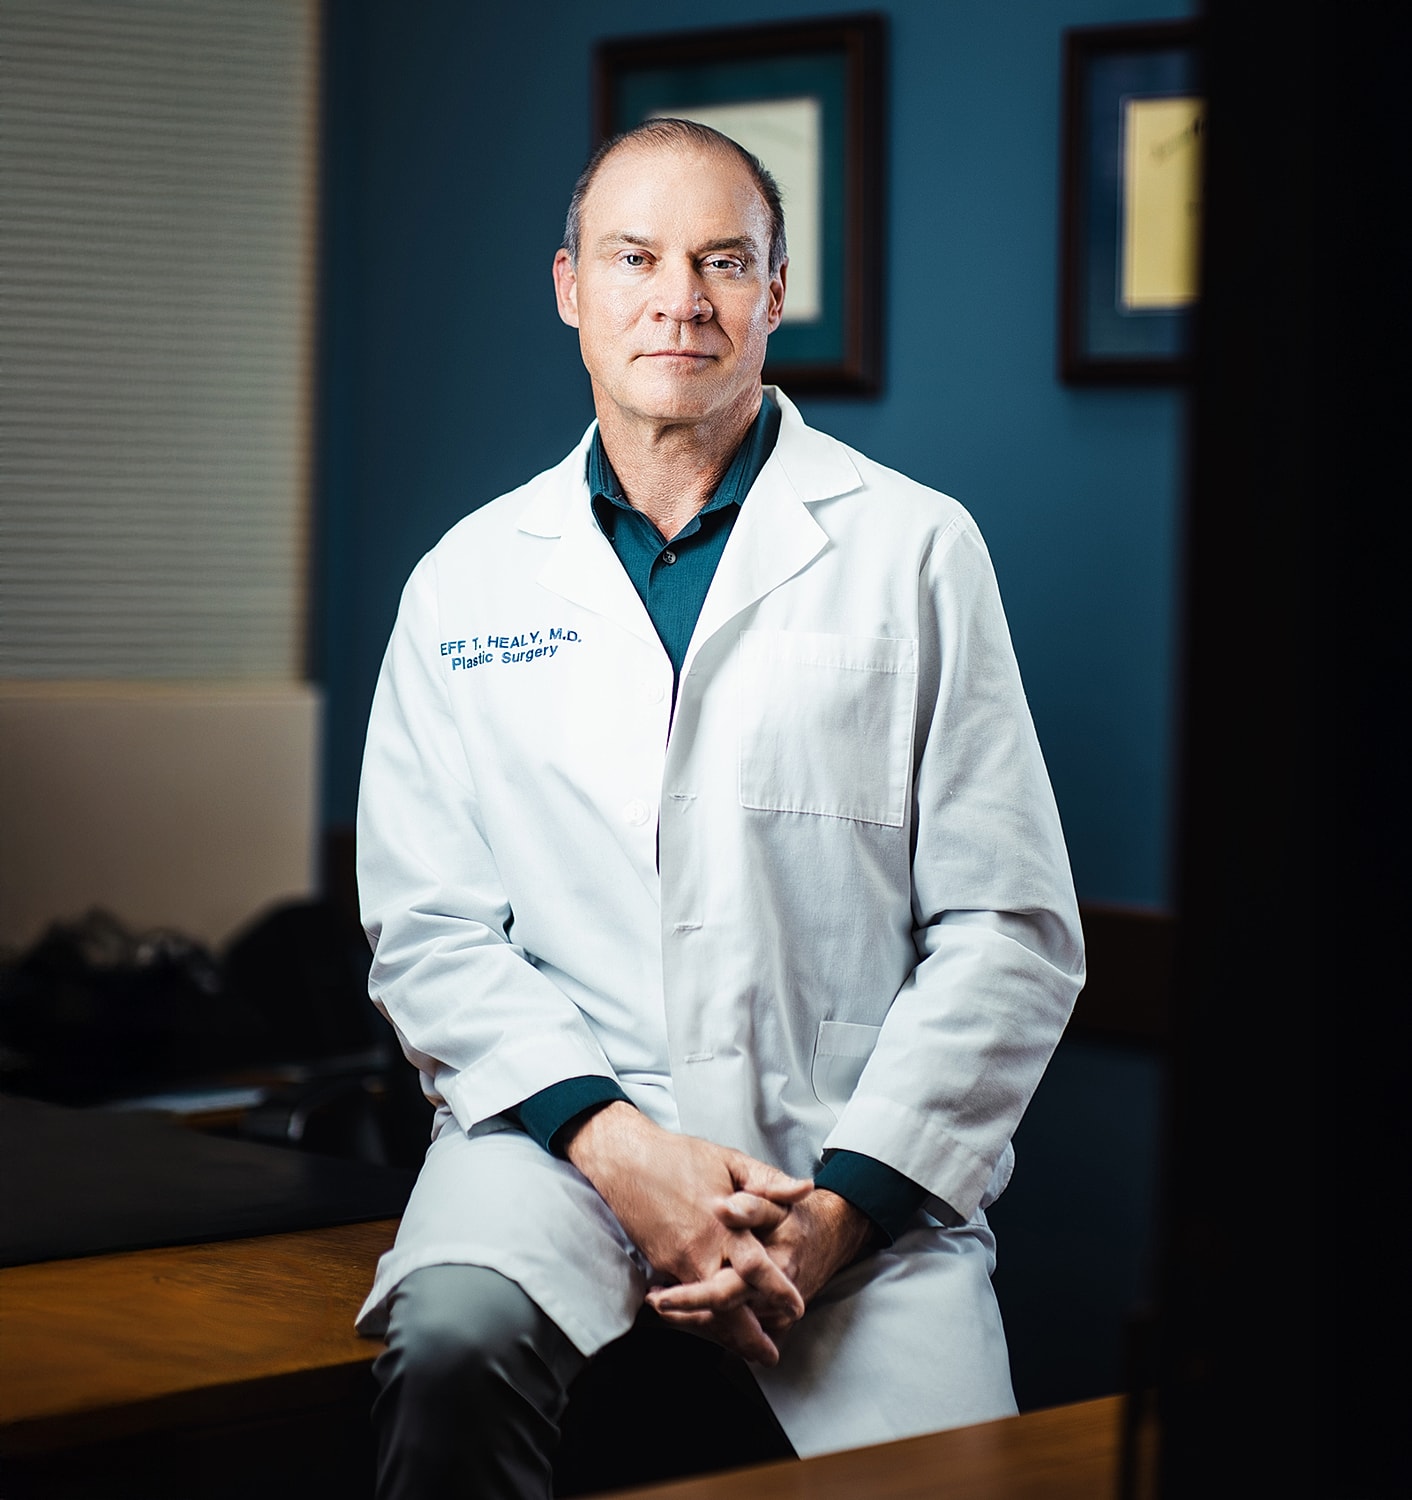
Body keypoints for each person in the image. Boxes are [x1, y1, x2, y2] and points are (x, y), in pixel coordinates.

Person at [355, 118, 1084, 1500]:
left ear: (775, 293)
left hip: (843, 1165)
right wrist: (622, 1154)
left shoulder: (915, 550)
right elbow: (429, 926)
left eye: (723, 261)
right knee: (450, 1343)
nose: (679, 298)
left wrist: (841, 1214)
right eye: (637, 257)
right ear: (571, 286)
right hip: (555, 1156)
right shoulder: (466, 582)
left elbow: (1010, 928)